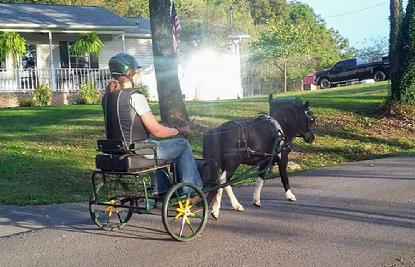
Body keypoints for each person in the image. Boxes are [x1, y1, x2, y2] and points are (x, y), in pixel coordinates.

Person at [102, 53, 203, 194]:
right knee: (182, 144)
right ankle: (192, 190)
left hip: (117, 150)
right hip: (138, 150)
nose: (140, 74)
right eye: (138, 71)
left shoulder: (107, 97)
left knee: (158, 147)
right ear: (131, 73)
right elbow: (158, 131)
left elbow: (126, 122)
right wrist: (180, 130)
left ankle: (163, 189)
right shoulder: (135, 96)